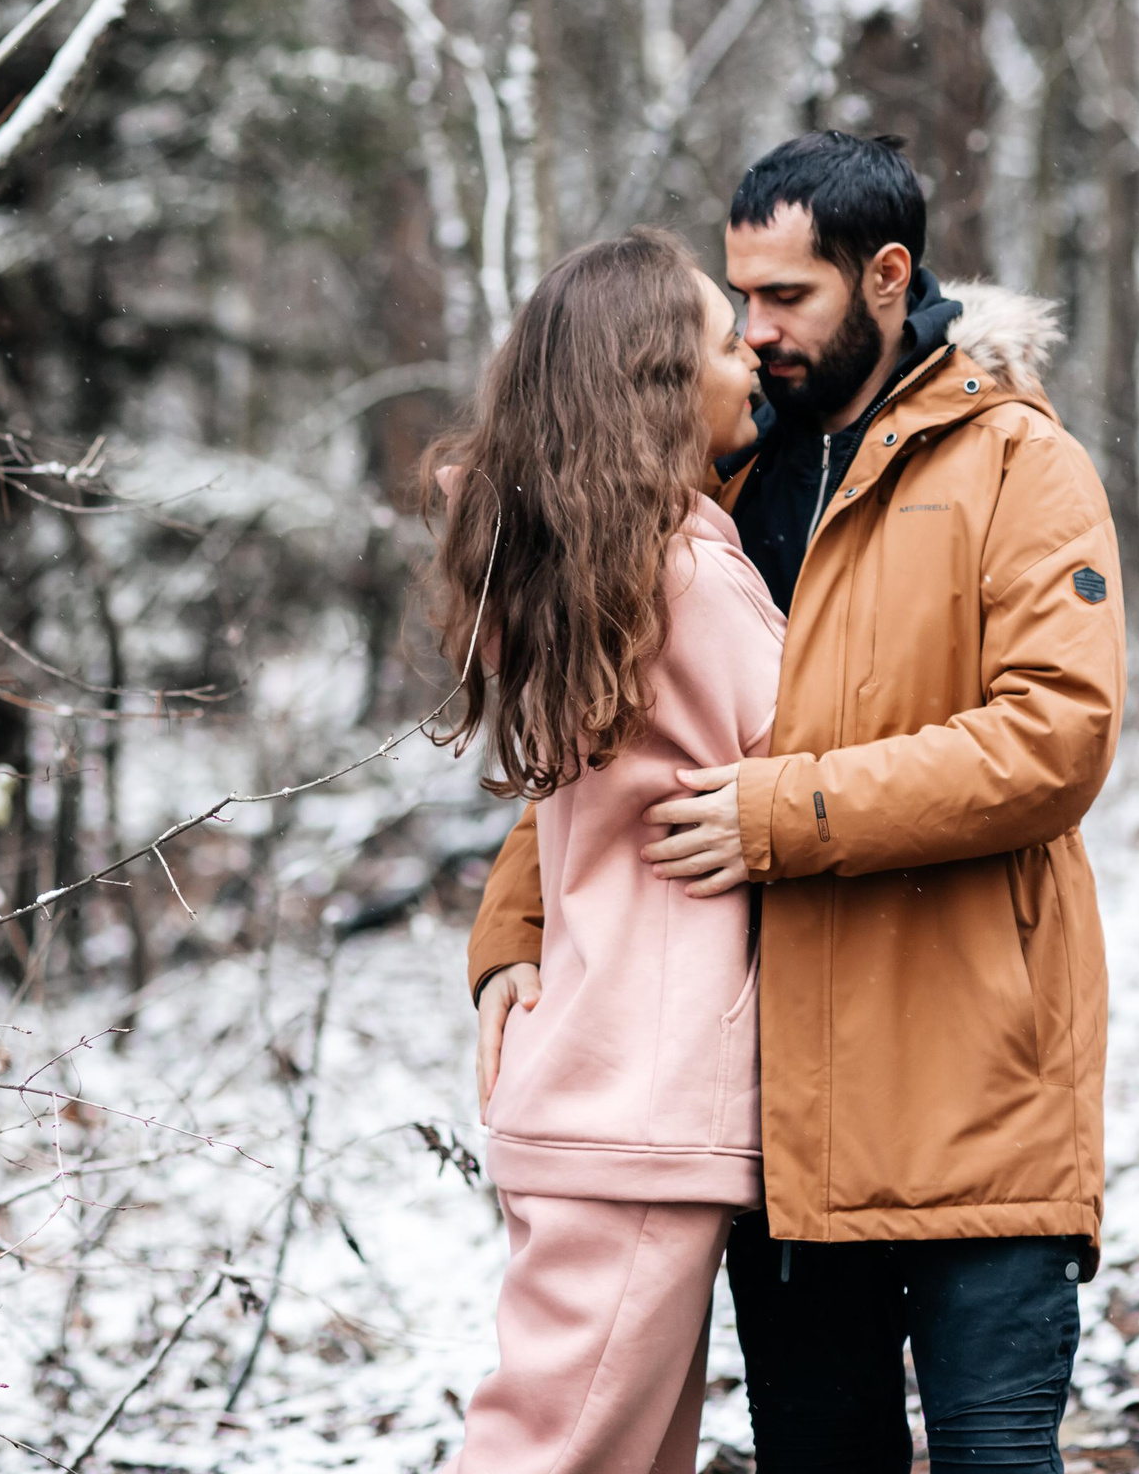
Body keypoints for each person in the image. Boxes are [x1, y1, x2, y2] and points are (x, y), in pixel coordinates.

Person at [468, 132, 1126, 1473]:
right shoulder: (728, 478)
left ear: (885, 278)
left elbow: (1057, 737)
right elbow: (612, 736)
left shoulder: (1017, 465)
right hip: (787, 1112)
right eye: (740, 300)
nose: (757, 334)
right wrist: (511, 935)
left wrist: (784, 816)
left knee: (999, 1455)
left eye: (789, 299)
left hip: (970, 1068)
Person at [428, 227, 782, 1474]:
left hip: (599, 1081)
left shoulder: (575, 565)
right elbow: (811, 755)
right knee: (553, 1455)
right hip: (643, 1096)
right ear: (659, 389)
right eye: (726, 346)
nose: (754, 365)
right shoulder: (694, 581)